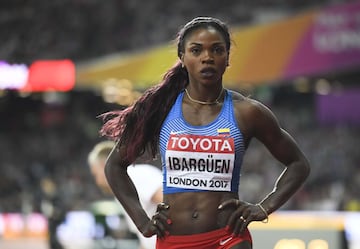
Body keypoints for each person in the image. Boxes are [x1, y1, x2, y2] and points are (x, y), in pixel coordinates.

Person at [99, 16, 310, 249]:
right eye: (197, 50)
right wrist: (141, 221)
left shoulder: (248, 113)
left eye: (217, 50)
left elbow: (298, 164)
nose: (207, 58)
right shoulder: (160, 109)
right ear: (182, 57)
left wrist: (264, 207)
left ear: (227, 57)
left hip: (228, 238)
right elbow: (114, 166)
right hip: (173, 241)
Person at [88, 140, 163, 249]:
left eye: (95, 175)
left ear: (104, 166)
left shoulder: (137, 175)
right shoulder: (123, 189)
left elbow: (171, 205)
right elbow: (146, 240)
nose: (97, 182)